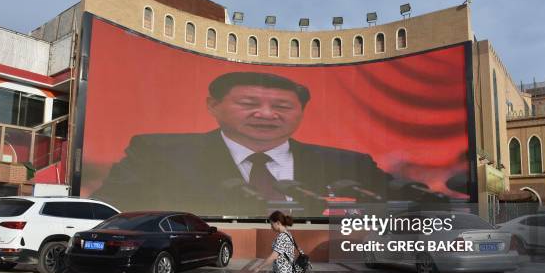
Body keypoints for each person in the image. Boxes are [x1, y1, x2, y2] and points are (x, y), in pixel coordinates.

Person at [93, 71, 391, 215]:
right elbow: (112, 207)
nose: (266, 114)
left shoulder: (349, 164)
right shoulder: (157, 153)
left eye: (283, 107)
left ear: (301, 112)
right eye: (248, 103)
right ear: (213, 105)